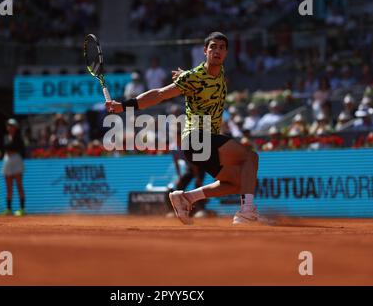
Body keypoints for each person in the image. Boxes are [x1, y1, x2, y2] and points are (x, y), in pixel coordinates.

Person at [106, 32, 267, 225]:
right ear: (205, 51)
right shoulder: (194, 77)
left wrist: (184, 76)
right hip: (197, 137)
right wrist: (123, 106)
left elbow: (201, 81)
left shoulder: (218, 72)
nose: (217, 51)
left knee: (238, 183)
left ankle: (187, 198)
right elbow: (159, 94)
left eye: (221, 48)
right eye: (213, 47)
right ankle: (246, 211)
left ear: (226, 53)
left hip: (203, 141)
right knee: (250, 157)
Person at [0, 119, 26, 216]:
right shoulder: (6, 137)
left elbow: (17, 147)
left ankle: (22, 209)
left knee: (19, 185)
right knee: (8, 187)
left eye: (12, 125)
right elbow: (6, 146)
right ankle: (8, 209)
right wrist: (11, 148)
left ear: (15, 127)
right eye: (9, 125)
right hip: (7, 160)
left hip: (16, 160)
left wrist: (10, 148)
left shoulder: (19, 138)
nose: (10, 127)